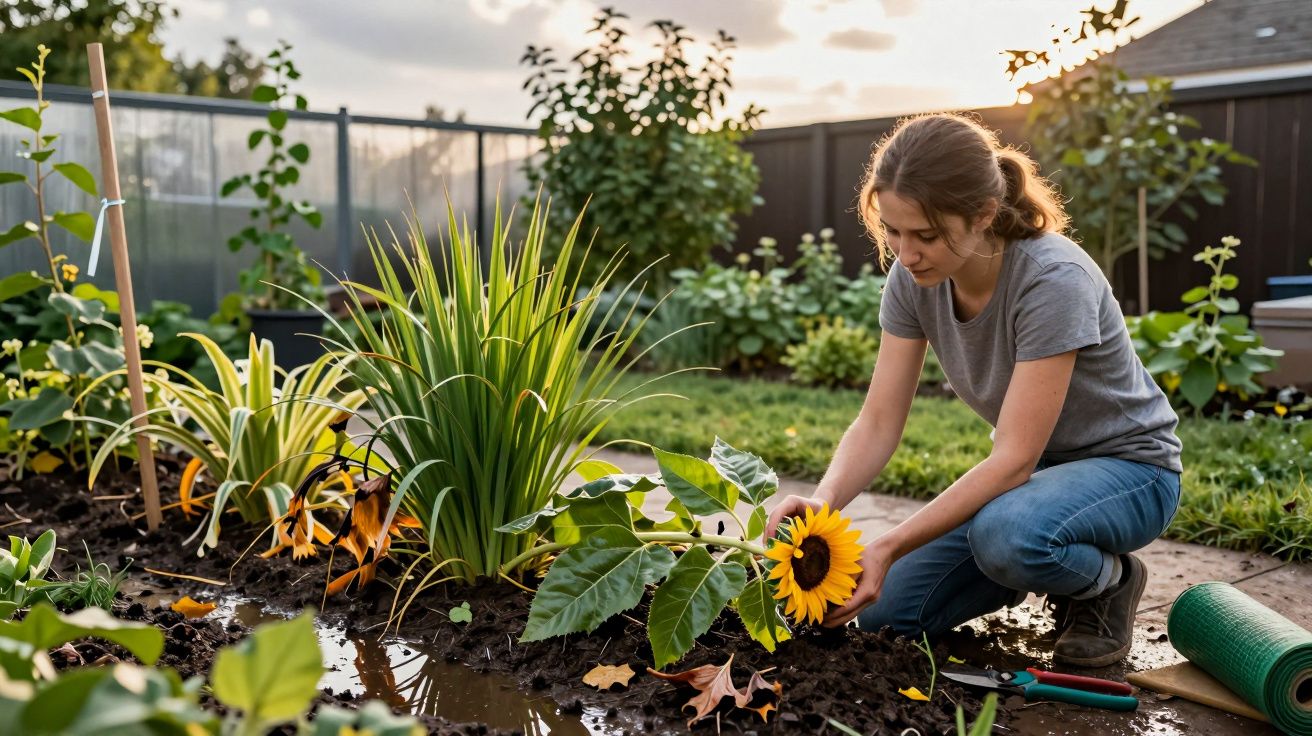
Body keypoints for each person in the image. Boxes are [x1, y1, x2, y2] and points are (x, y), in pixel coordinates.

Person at [764, 113, 1182, 668]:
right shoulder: (913, 281)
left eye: (926, 236)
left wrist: (887, 545)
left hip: (1131, 472)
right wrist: (822, 504)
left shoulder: (1052, 280)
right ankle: (1027, 564)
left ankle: (1106, 582)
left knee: (1010, 535)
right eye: (892, 230)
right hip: (1033, 484)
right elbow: (878, 421)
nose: (905, 253)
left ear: (984, 214)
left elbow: (1011, 461)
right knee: (889, 615)